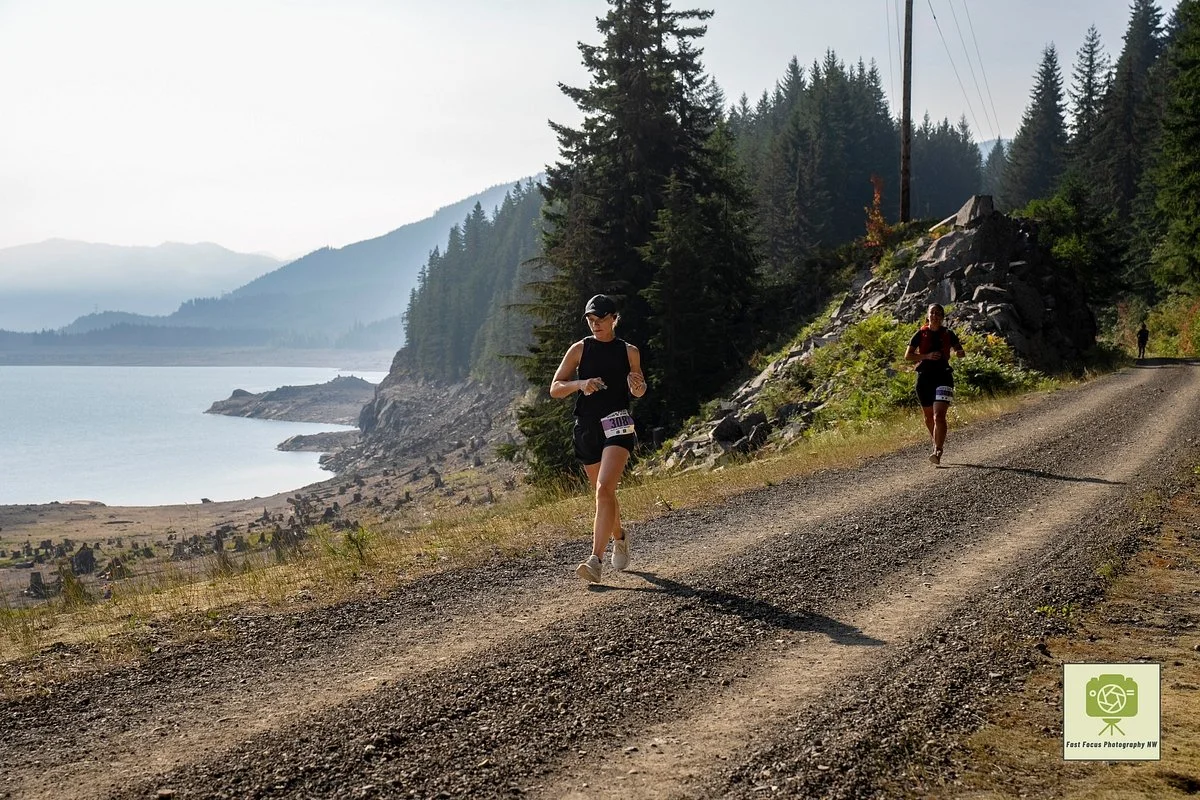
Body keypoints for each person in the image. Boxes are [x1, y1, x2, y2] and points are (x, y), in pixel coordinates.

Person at [550, 294, 647, 583]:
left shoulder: (629, 352)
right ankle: (619, 536)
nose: (595, 326)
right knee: (604, 494)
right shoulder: (579, 349)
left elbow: (638, 389)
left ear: (614, 319)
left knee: (604, 489)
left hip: (618, 424)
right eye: (591, 321)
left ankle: (595, 560)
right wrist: (581, 384)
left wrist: (638, 385)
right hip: (587, 427)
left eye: (601, 320)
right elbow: (555, 388)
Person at [904, 303, 965, 466]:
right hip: (924, 378)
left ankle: (937, 450)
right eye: (933, 313)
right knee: (928, 417)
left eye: (939, 313)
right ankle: (936, 442)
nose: (935, 316)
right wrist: (927, 356)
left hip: (944, 376)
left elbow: (960, 351)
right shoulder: (920, 334)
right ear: (928, 316)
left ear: (943, 317)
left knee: (939, 416)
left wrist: (959, 353)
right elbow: (908, 356)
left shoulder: (948, 334)